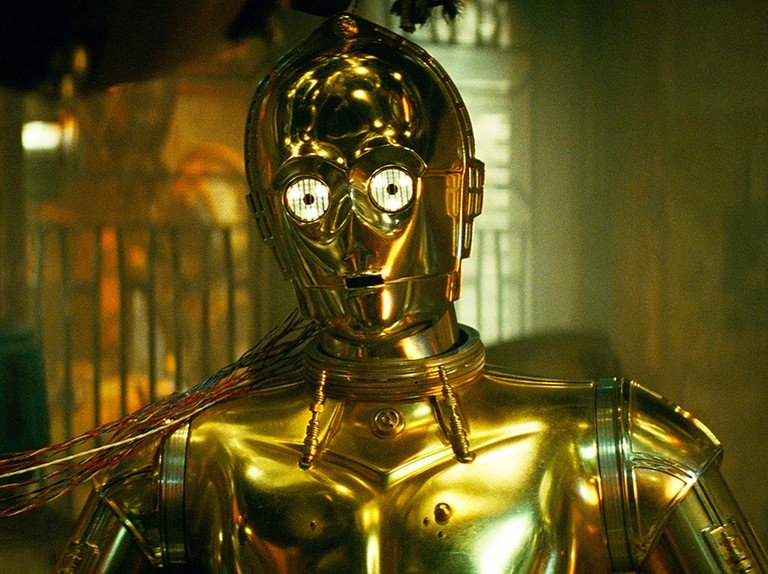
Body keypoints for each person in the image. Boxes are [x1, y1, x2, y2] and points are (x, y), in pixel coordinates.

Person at [56, 13, 767, 572]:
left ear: (459, 196)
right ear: (269, 221)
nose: (350, 233)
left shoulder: (617, 452)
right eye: (310, 197)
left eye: (389, 186)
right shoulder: (188, 463)